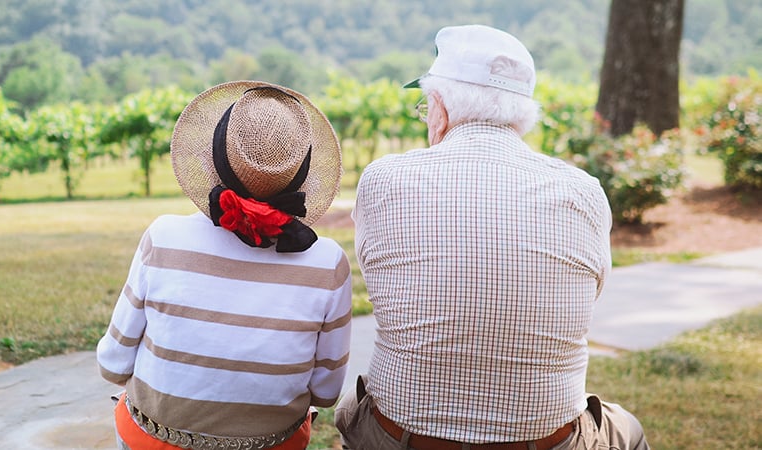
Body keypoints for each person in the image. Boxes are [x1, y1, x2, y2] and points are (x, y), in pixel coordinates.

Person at [335, 25, 649, 450]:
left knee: (350, 408)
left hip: (406, 438)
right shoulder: (584, 191)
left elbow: (383, 286)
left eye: (424, 105)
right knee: (626, 427)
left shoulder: (384, 179)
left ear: (439, 108)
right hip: (546, 439)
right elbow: (587, 295)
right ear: (522, 113)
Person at [97, 80, 353, 450]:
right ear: (301, 175)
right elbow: (326, 392)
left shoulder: (164, 236)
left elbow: (114, 365)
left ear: (212, 159)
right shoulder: (328, 264)